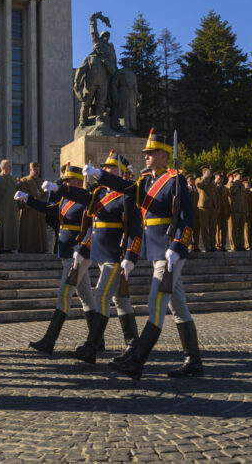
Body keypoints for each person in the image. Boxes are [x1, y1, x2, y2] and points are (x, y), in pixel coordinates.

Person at [84, 129, 201, 380]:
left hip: (169, 251)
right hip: (157, 250)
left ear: (162, 156)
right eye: (146, 154)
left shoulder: (175, 180)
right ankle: (193, 360)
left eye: (150, 154)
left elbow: (187, 219)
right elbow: (128, 187)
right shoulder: (147, 181)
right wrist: (101, 175)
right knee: (178, 306)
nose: (146, 157)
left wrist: (178, 247)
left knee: (155, 304)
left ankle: (137, 361)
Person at [40, 151, 143, 365]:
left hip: (116, 255)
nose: (106, 170)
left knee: (101, 297)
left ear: (122, 172)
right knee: (120, 300)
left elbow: (135, 229)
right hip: (100, 253)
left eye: (110, 168)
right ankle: (133, 345)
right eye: (104, 167)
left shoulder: (128, 193)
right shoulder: (102, 192)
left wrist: (131, 255)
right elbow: (90, 219)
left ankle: (92, 346)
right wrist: (59, 189)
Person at [16, 163, 96, 355]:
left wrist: (82, 249)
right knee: (85, 295)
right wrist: (29, 199)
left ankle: (49, 340)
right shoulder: (66, 200)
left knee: (64, 293)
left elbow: (92, 228)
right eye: (65, 180)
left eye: (69, 180)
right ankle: (97, 338)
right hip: (67, 252)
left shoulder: (85, 199)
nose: (65, 183)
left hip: (78, 254)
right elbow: (50, 209)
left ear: (78, 182)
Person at [0, 160, 19, 253]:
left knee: (11, 227)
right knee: (1, 228)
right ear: (3, 167)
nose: (11, 168)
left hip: (12, 208)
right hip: (1, 208)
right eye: (9, 166)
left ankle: (9, 247)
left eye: (11, 166)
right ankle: (0, 247)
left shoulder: (13, 179)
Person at [195, 166, 219, 252]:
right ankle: (206, 246)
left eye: (210, 172)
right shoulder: (199, 179)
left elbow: (215, 193)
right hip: (204, 206)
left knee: (213, 227)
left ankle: (213, 245)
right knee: (204, 227)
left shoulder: (212, 182)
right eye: (208, 172)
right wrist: (204, 177)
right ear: (204, 172)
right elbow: (199, 185)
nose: (210, 173)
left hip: (212, 207)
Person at [227, 169, 246, 251]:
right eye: (239, 175)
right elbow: (232, 191)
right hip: (234, 210)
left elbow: (243, 198)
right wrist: (236, 182)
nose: (241, 177)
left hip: (242, 209)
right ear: (234, 176)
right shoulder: (231, 184)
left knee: (241, 229)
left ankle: (241, 245)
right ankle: (234, 245)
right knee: (233, 228)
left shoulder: (241, 185)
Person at [214, 171, 230, 251]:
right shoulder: (213, 187)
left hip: (224, 211)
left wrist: (228, 211)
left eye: (222, 178)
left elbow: (227, 200)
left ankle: (223, 245)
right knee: (217, 228)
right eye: (219, 178)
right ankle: (217, 245)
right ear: (216, 178)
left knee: (224, 228)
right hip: (216, 211)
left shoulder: (224, 188)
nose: (221, 180)